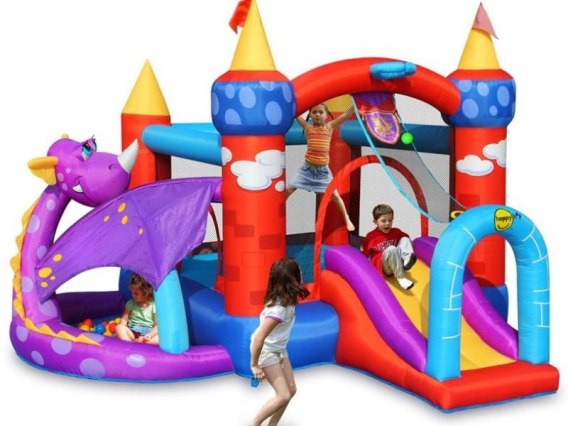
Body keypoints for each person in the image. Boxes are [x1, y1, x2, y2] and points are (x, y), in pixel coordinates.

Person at [249, 258, 310, 426]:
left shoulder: (286, 301)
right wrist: (254, 365)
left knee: (291, 390)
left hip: (279, 350)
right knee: (283, 395)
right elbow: (259, 337)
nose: (302, 273)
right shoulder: (279, 310)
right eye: (299, 271)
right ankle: (254, 423)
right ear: (292, 278)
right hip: (267, 352)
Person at [287, 103, 356, 231]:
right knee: (289, 189)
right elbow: (296, 115)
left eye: (320, 112)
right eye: (314, 112)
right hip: (307, 170)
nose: (317, 115)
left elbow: (345, 115)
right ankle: (277, 208)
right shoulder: (307, 127)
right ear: (310, 114)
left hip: (323, 172)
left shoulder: (329, 127)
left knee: (334, 195)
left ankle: (346, 217)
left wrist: (355, 104)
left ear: (326, 115)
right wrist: (290, 102)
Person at [361, 204, 417, 290]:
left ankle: (406, 260)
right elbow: (363, 255)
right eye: (383, 221)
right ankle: (401, 278)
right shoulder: (371, 237)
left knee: (405, 239)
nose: (387, 223)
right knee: (392, 249)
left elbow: (407, 240)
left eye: (390, 220)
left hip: (398, 262)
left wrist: (409, 246)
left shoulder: (396, 232)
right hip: (385, 268)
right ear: (375, 222)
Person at [116, 273, 159, 344]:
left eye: (136, 293)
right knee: (119, 327)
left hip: (148, 333)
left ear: (146, 292)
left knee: (160, 338)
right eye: (131, 292)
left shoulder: (154, 305)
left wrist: (150, 335)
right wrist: (123, 329)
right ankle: (129, 344)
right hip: (133, 331)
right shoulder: (130, 304)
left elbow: (157, 325)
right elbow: (124, 319)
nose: (133, 295)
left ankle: (145, 343)